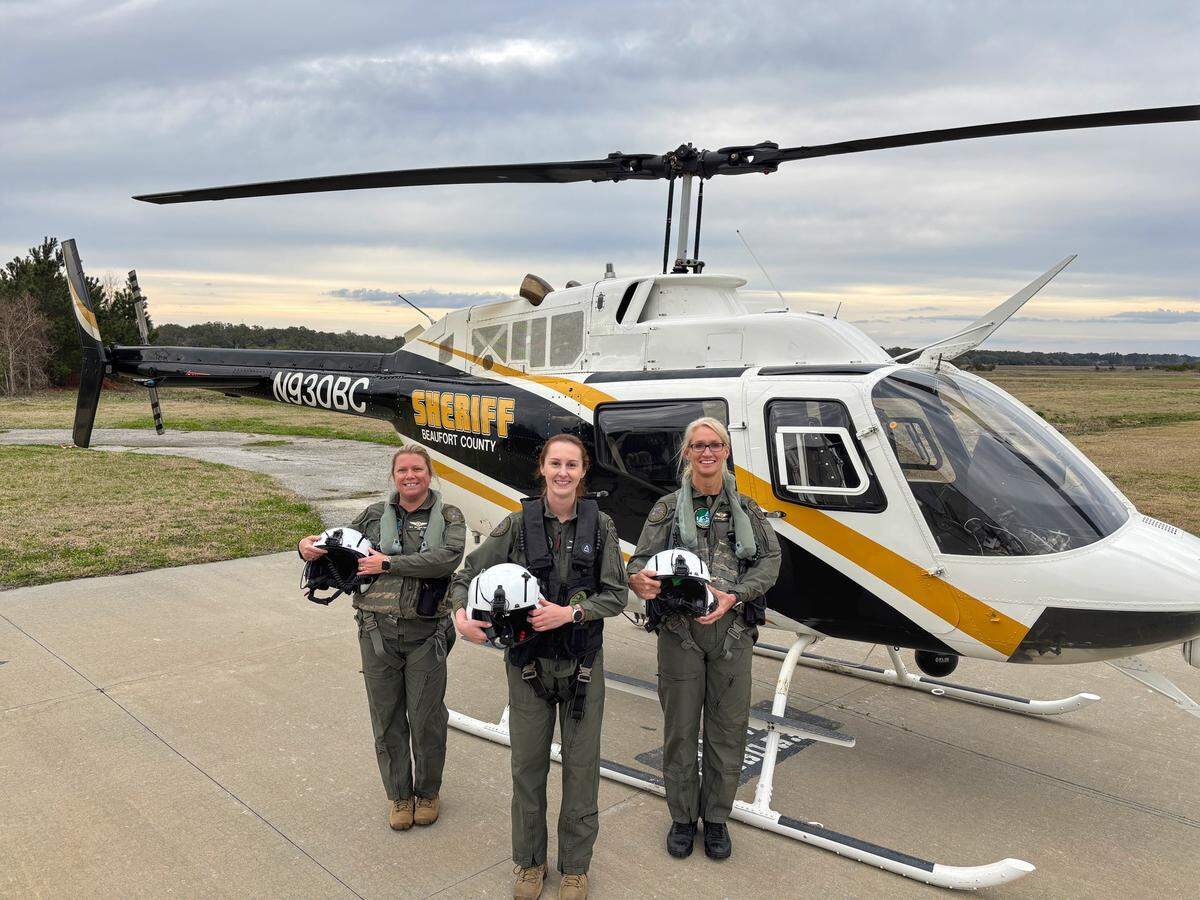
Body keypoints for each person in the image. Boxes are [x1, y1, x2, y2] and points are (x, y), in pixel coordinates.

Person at [449, 434, 627, 900]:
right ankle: (529, 864)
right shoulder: (517, 524)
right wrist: (460, 616)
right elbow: (467, 575)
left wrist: (569, 613)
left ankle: (574, 868)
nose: (563, 472)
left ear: (583, 471)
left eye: (572, 464)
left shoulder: (602, 526)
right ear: (542, 469)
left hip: (583, 665)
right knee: (527, 768)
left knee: (581, 770)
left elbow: (616, 595)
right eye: (555, 464)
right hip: (528, 666)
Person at [627, 417, 781, 862]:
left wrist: (737, 595)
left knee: (727, 731)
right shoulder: (667, 509)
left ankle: (715, 819)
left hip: (732, 635)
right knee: (679, 732)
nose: (707, 452)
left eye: (715, 444)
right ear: (687, 453)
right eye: (698, 445)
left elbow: (769, 561)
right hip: (679, 634)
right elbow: (639, 561)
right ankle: (681, 817)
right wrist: (642, 582)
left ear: (726, 451)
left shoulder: (746, 510)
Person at [299, 444, 465, 832]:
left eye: (418, 470)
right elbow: (333, 542)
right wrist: (306, 547)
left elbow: (447, 558)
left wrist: (388, 562)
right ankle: (399, 796)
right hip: (377, 632)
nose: (410, 476)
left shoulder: (449, 516)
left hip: (427, 634)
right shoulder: (374, 515)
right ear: (394, 476)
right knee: (386, 718)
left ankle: (427, 792)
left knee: (426, 718)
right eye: (403, 470)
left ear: (429, 474)